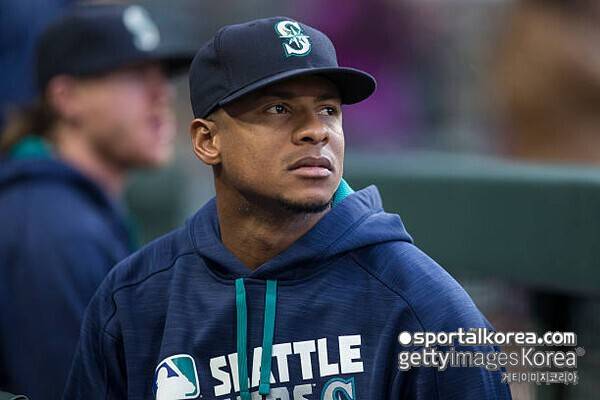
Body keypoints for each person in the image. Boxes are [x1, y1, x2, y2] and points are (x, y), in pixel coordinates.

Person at [64, 17, 512, 399]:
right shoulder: (135, 299)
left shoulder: (424, 309)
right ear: (207, 140)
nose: (316, 131)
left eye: (328, 110)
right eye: (279, 108)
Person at [0, 4, 192, 399]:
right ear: (67, 98)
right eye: (135, 76)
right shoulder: (56, 231)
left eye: (163, 76)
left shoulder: (63, 209)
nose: (162, 94)